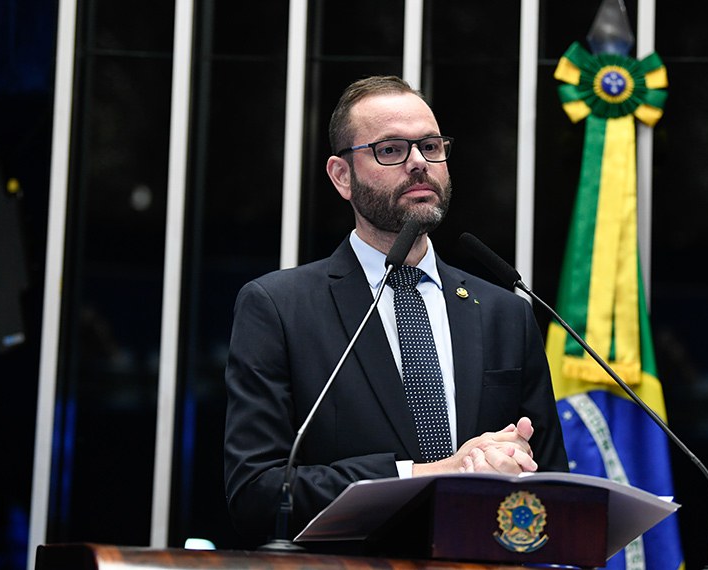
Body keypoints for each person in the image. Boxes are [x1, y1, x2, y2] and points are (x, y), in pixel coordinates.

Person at [223, 75, 568, 547]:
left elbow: (552, 490)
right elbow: (257, 494)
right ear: (342, 176)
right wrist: (426, 473)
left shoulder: (504, 311)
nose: (419, 164)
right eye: (390, 150)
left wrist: (515, 467)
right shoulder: (279, 308)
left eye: (430, 146)